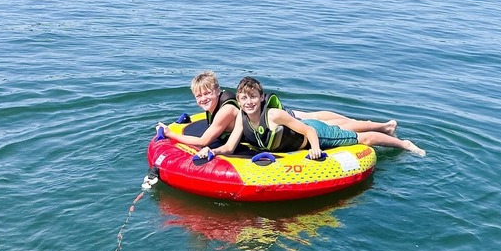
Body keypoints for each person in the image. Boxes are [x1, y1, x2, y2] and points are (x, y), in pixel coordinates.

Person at [195, 76, 426, 159]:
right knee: (349, 127)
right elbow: (228, 147)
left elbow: (309, 131)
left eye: (253, 97)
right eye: (244, 98)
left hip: (316, 134)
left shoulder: (274, 114)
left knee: (363, 139)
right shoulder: (242, 120)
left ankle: (402, 143)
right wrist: (212, 151)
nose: (249, 102)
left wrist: (315, 148)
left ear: (261, 97)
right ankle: (387, 128)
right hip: (301, 138)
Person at [156, 70, 398, 147]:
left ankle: (383, 126)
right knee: (320, 118)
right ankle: (383, 125)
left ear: (218, 91)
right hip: (268, 118)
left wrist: (169, 134)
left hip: (276, 122)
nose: (203, 98)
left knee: (330, 125)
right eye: (199, 95)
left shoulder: (227, 110)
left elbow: (206, 139)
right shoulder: (222, 104)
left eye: (207, 93)